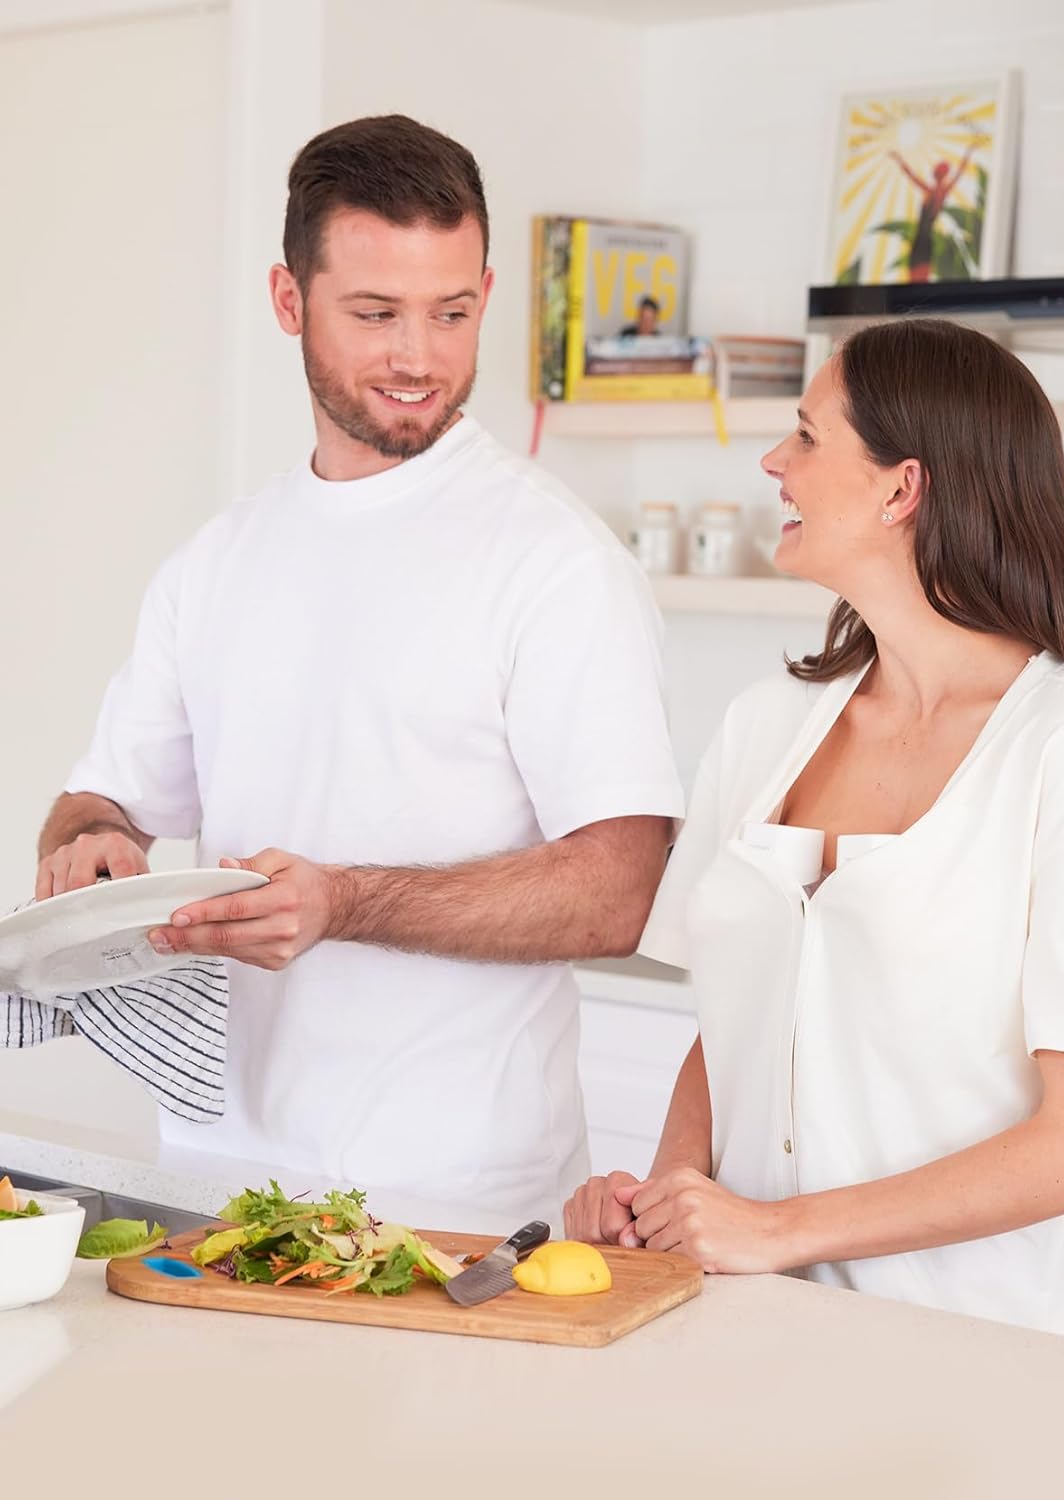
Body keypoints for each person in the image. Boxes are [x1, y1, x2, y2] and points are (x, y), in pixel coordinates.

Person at [36, 115, 684, 1219]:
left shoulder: (554, 562)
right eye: (376, 314)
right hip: (208, 1181)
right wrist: (92, 846)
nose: (418, 357)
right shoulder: (217, 561)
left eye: (452, 313)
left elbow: (617, 892)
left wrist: (343, 901)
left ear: (487, 293)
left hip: (457, 1203)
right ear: (289, 301)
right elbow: (101, 801)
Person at [565, 318, 1064, 1343]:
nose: (773, 462)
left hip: (973, 1357)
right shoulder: (764, 725)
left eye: (805, 436)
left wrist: (776, 1230)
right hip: (749, 1336)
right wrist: (668, 1204)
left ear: (901, 489)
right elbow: (731, 1028)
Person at [888, 143, 975, 283]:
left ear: (937, 174)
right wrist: (969, 153)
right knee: (918, 276)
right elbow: (959, 173)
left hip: (921, 242)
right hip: (924, 242)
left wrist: (898, 159)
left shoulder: (930, 191)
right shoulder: (939, 191)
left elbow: (911, 175)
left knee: (916, 276)